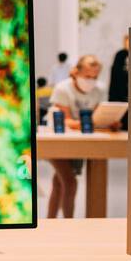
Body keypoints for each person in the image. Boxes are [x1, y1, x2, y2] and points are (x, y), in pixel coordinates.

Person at [46, 55, 112, 218]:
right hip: (56, 139)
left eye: (95, 77)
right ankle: (69, 223)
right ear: (76, 72)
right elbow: (66, 120)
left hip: (80, 140)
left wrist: (107, 121)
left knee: (59, 182)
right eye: (87, 76)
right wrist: (91, 122)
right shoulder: (63, 88)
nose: (91, 80)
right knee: (70, 182)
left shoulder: (100, 90)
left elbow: (98, 116)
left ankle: (50, 221)